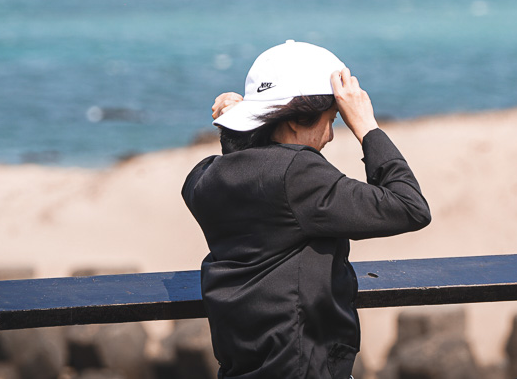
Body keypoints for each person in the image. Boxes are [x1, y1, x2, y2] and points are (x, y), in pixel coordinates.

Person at [182, 40, 431, 379]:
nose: (329, 136)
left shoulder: (206, 178)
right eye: (331, 120)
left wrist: (241, 128)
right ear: (297, 119)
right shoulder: (298, 174)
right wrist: (366, 126)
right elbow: (409, 206)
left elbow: (245, 169)